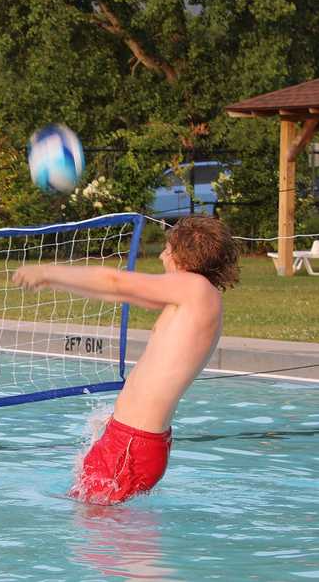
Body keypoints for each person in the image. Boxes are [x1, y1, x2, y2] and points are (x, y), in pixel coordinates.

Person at [12, 215, 239, 504]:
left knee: (103, 538)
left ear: (184, 255)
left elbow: (115, 281)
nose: (161, 256)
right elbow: (115, 292)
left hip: (132, 443)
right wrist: (54, 284)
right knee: (104, 534)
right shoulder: (196, 298)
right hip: (133, 440)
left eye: (167, 250)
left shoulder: (194, 288)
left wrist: (48, 272)